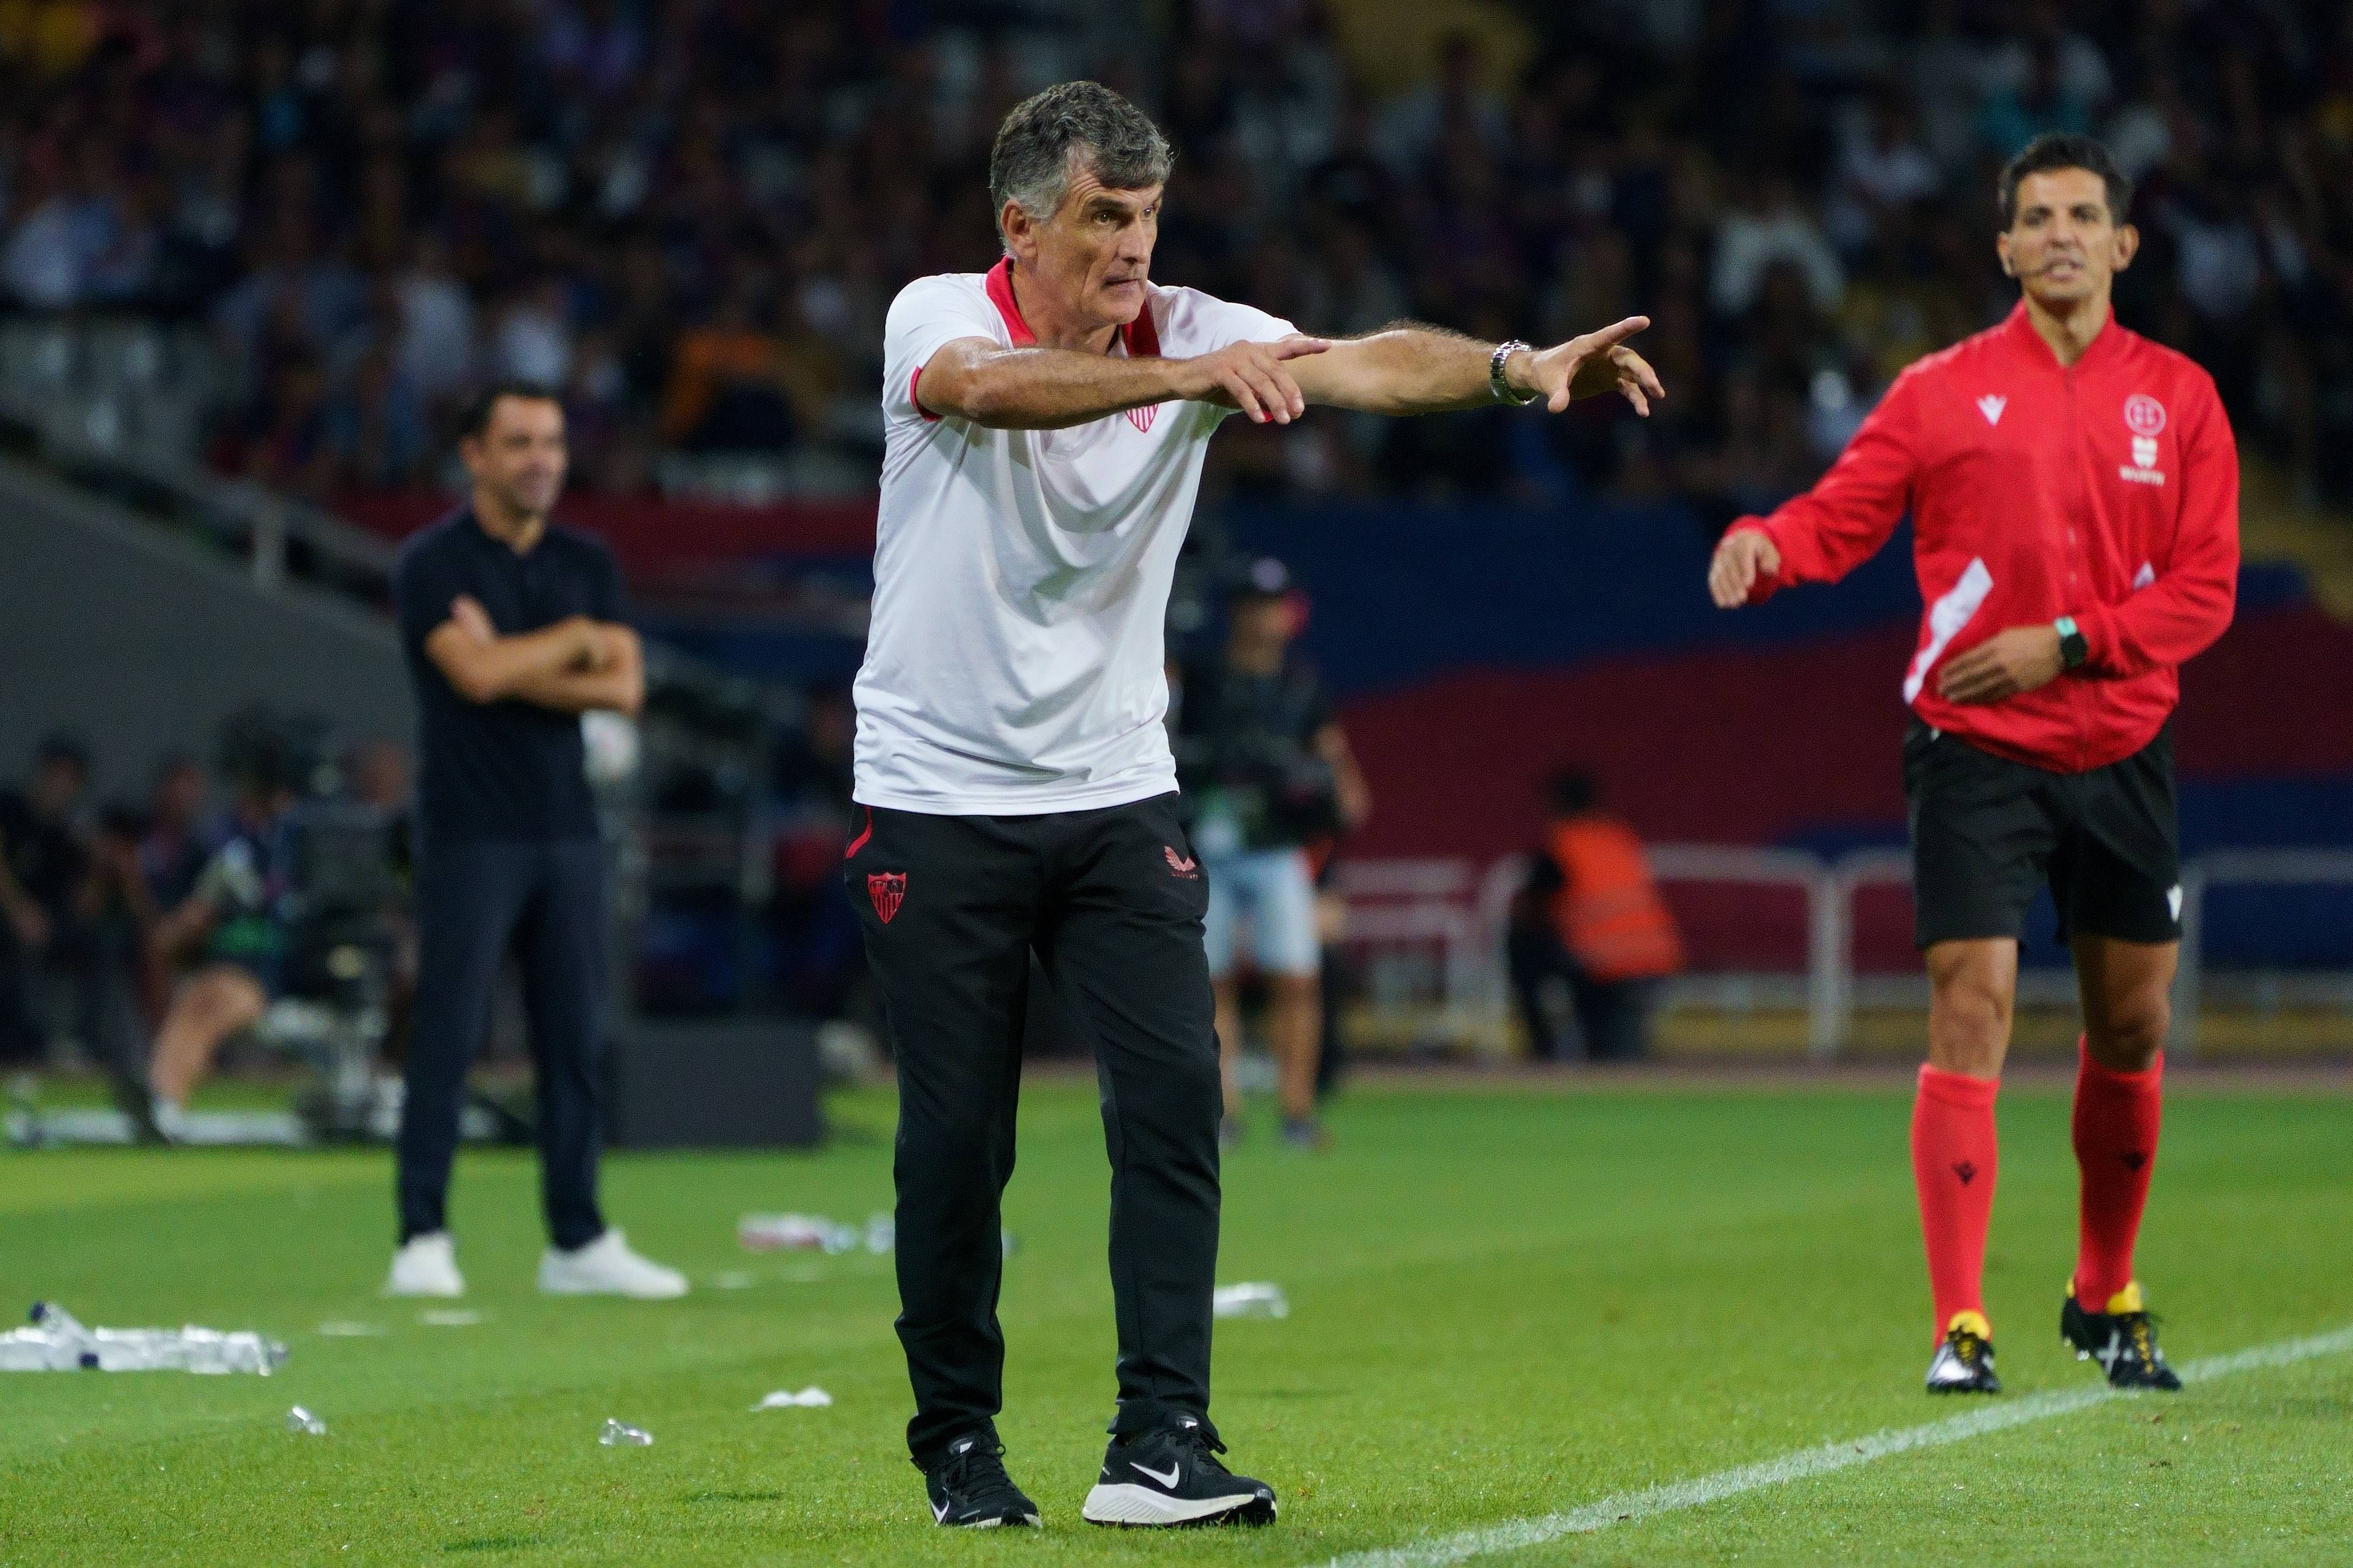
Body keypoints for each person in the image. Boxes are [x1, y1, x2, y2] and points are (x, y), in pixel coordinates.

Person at [853, 79, 1661, 1529]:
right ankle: (956, 1443)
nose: (1132, 247)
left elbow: (1358, 366)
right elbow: (984, 391)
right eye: (1104, 217)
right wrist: (1181, 384)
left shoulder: (1197, 325)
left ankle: (1158, 1439)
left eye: (1148, 216)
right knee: (958, 1140)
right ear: (1019, 224)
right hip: (938, 797)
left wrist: (1507, 364)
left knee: (1176, 1100)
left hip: (1115, 790)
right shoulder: (935, 312)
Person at [1707, 134, 2236, 1396]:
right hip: (1971, 747)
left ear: (2124, 244)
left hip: (2120, 743)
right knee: (1969, 999)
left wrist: (2067, 642)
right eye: (2037, 216)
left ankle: (2104, 1288)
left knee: (2131, 1024)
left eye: (2083, 215)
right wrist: (1760, 542)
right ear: (2004, 246)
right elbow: (1837, 518)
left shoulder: (2182, 397)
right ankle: (1962, 1321)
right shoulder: (1939, 391)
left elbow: (2206, 592)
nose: (2060, 233)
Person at [385, 380, 685, 1301]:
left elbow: (625, 689)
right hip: (471, 829)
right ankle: (422, 1235)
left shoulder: (586, 559)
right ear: (473, 453)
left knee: (573, 1036)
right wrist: (572, 644)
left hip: (568, 830)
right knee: (448, 1032)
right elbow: (468, 678)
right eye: (518, 442)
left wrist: (518, 655)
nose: (540, 459)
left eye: (551, 442)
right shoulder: (431, 562)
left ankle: (577, 1236)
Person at [1173, 557, 1368, 1149]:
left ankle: (1296, 1115)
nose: (1264, 617)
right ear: (1234, 612)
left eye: (1274, 605)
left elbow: (1338, 777)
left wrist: (1340, 789)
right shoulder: (1198, 679)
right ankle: (1224, 1114)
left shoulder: (1301, 687)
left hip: (1278, 848)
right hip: (1208, 845)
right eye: (1253, 605)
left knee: (1296, 979)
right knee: (1211, 984)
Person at [1507, 771, 1683, 1062]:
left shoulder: (1562, 846)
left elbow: (1528, 910)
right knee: (1618, 1044)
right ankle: (1612, 1052)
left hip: (1603, 963)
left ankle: (1544, 1049)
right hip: (1656, 958)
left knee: (1523, 946)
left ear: (1557, 804)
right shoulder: (1621, 839)